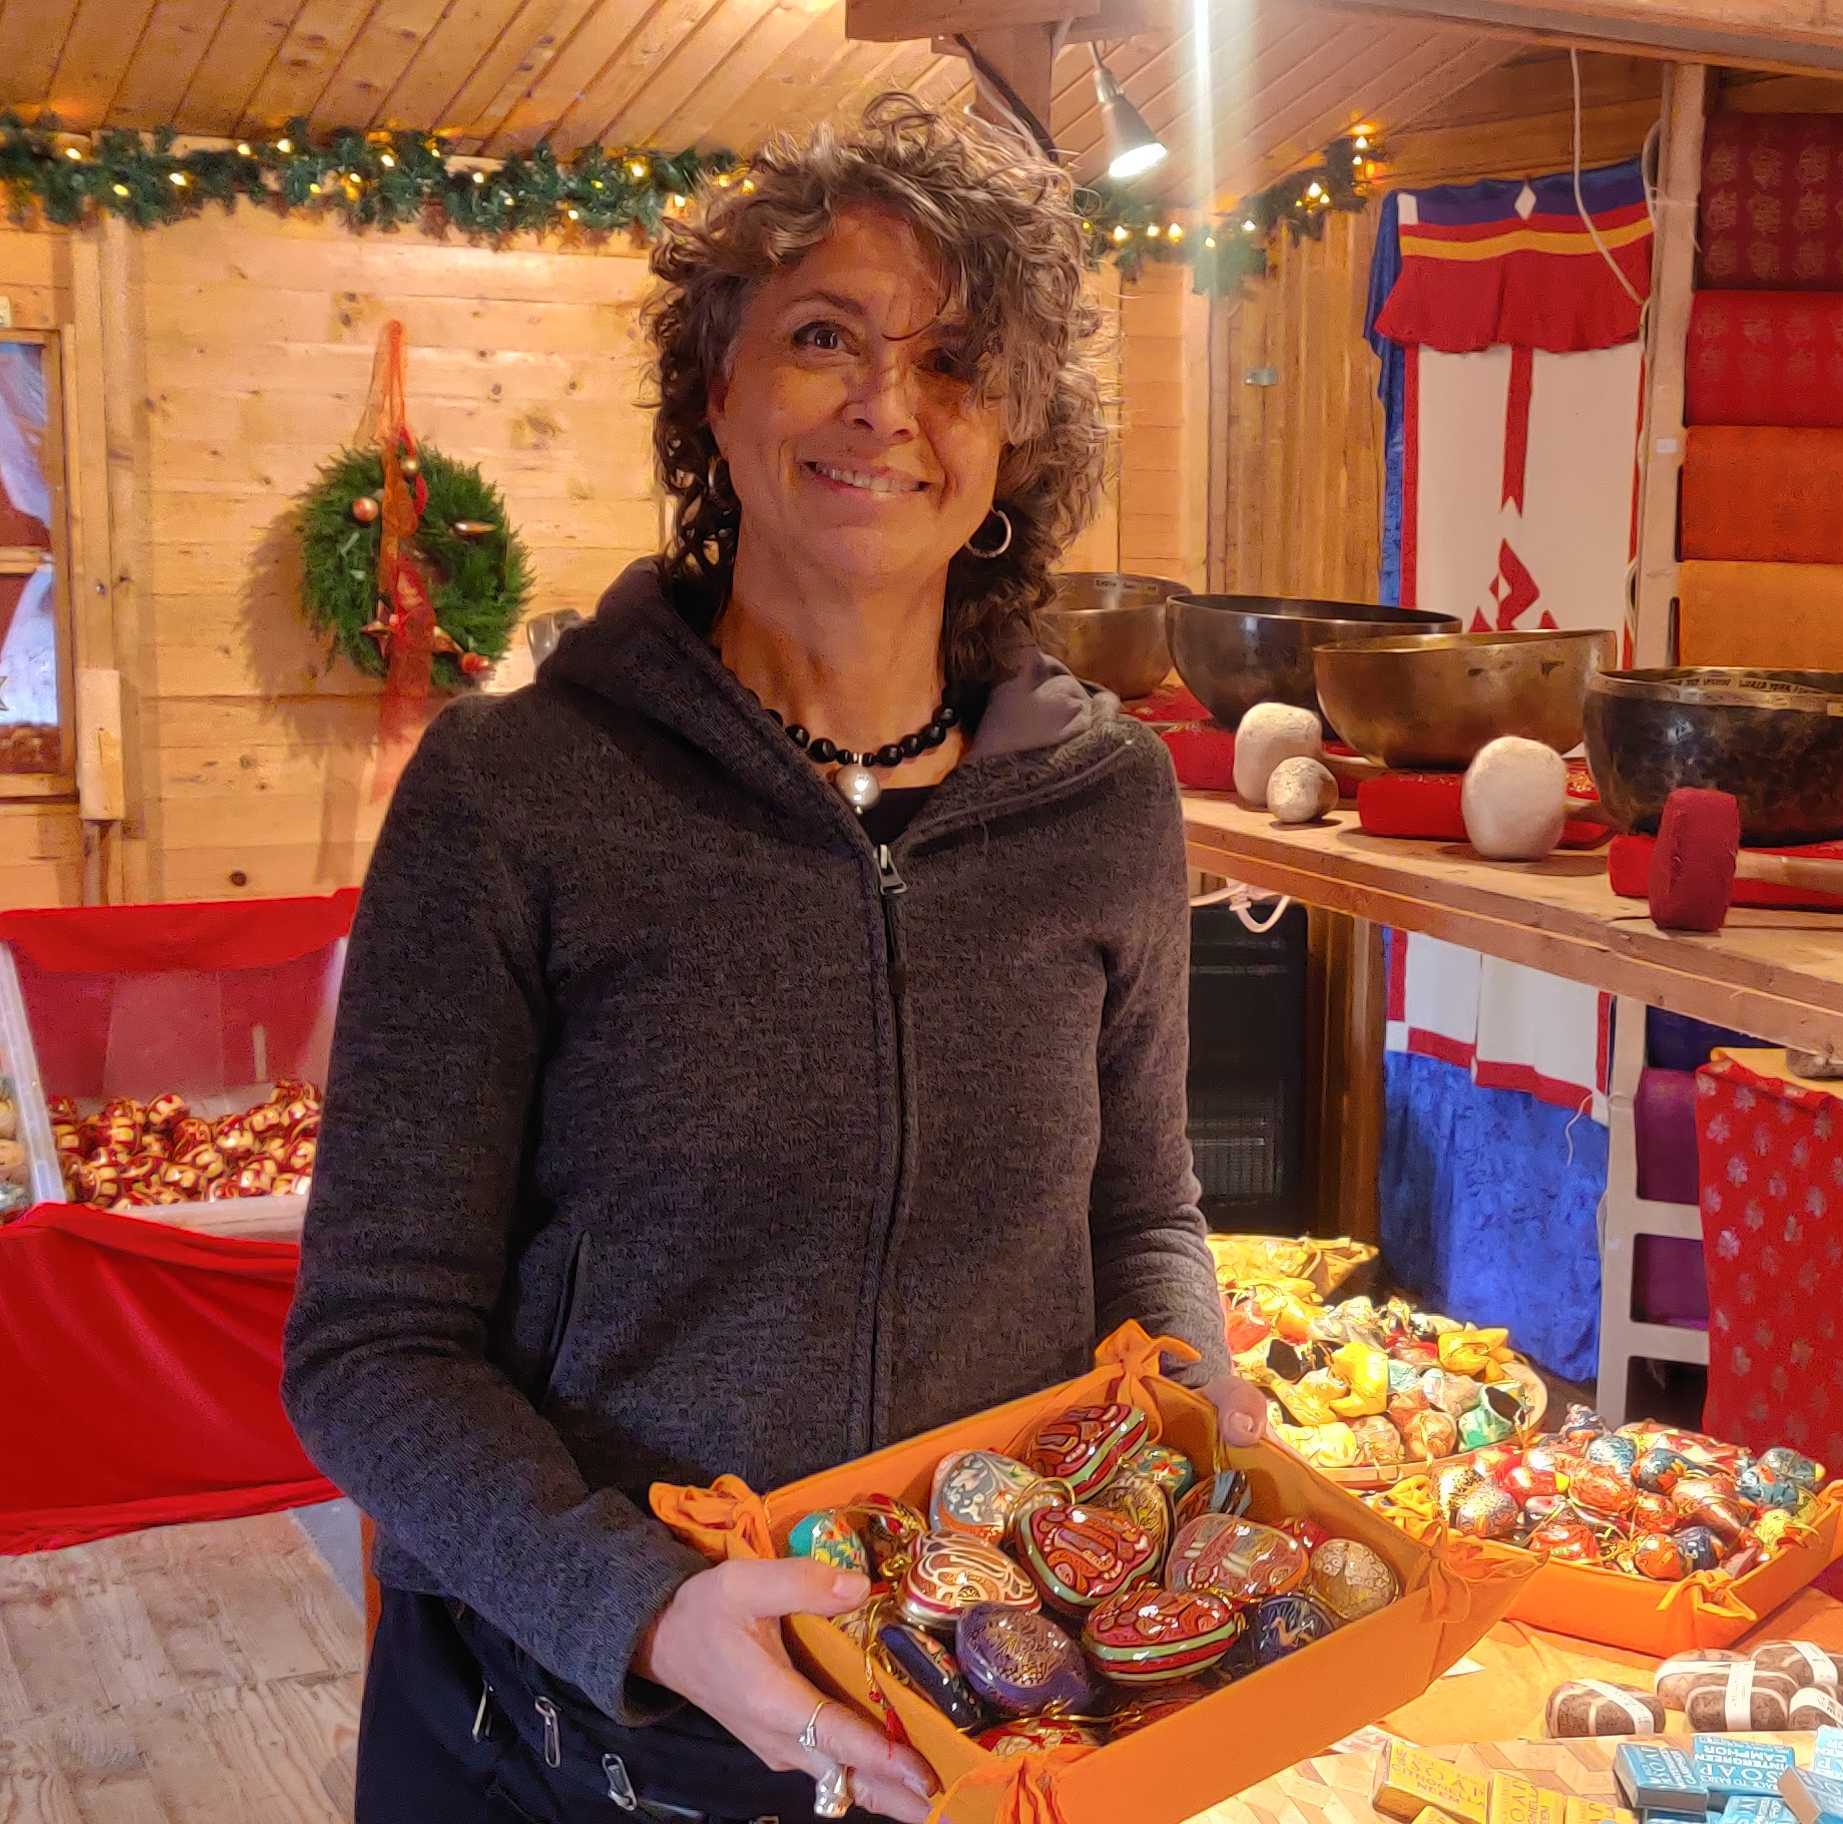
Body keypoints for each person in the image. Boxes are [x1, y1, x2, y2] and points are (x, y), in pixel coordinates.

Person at [284, 95, 1249, 1822]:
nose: (888, 405)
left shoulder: (1103, 801)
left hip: (984, 1718)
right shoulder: (517, 793)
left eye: (956, 364)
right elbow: (372, 1346)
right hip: (589, 1735)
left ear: (1017, 441)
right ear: (715, 392)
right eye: (824, 339)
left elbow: (1143, 1213)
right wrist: (647, 1613)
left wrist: (1191, 1434)